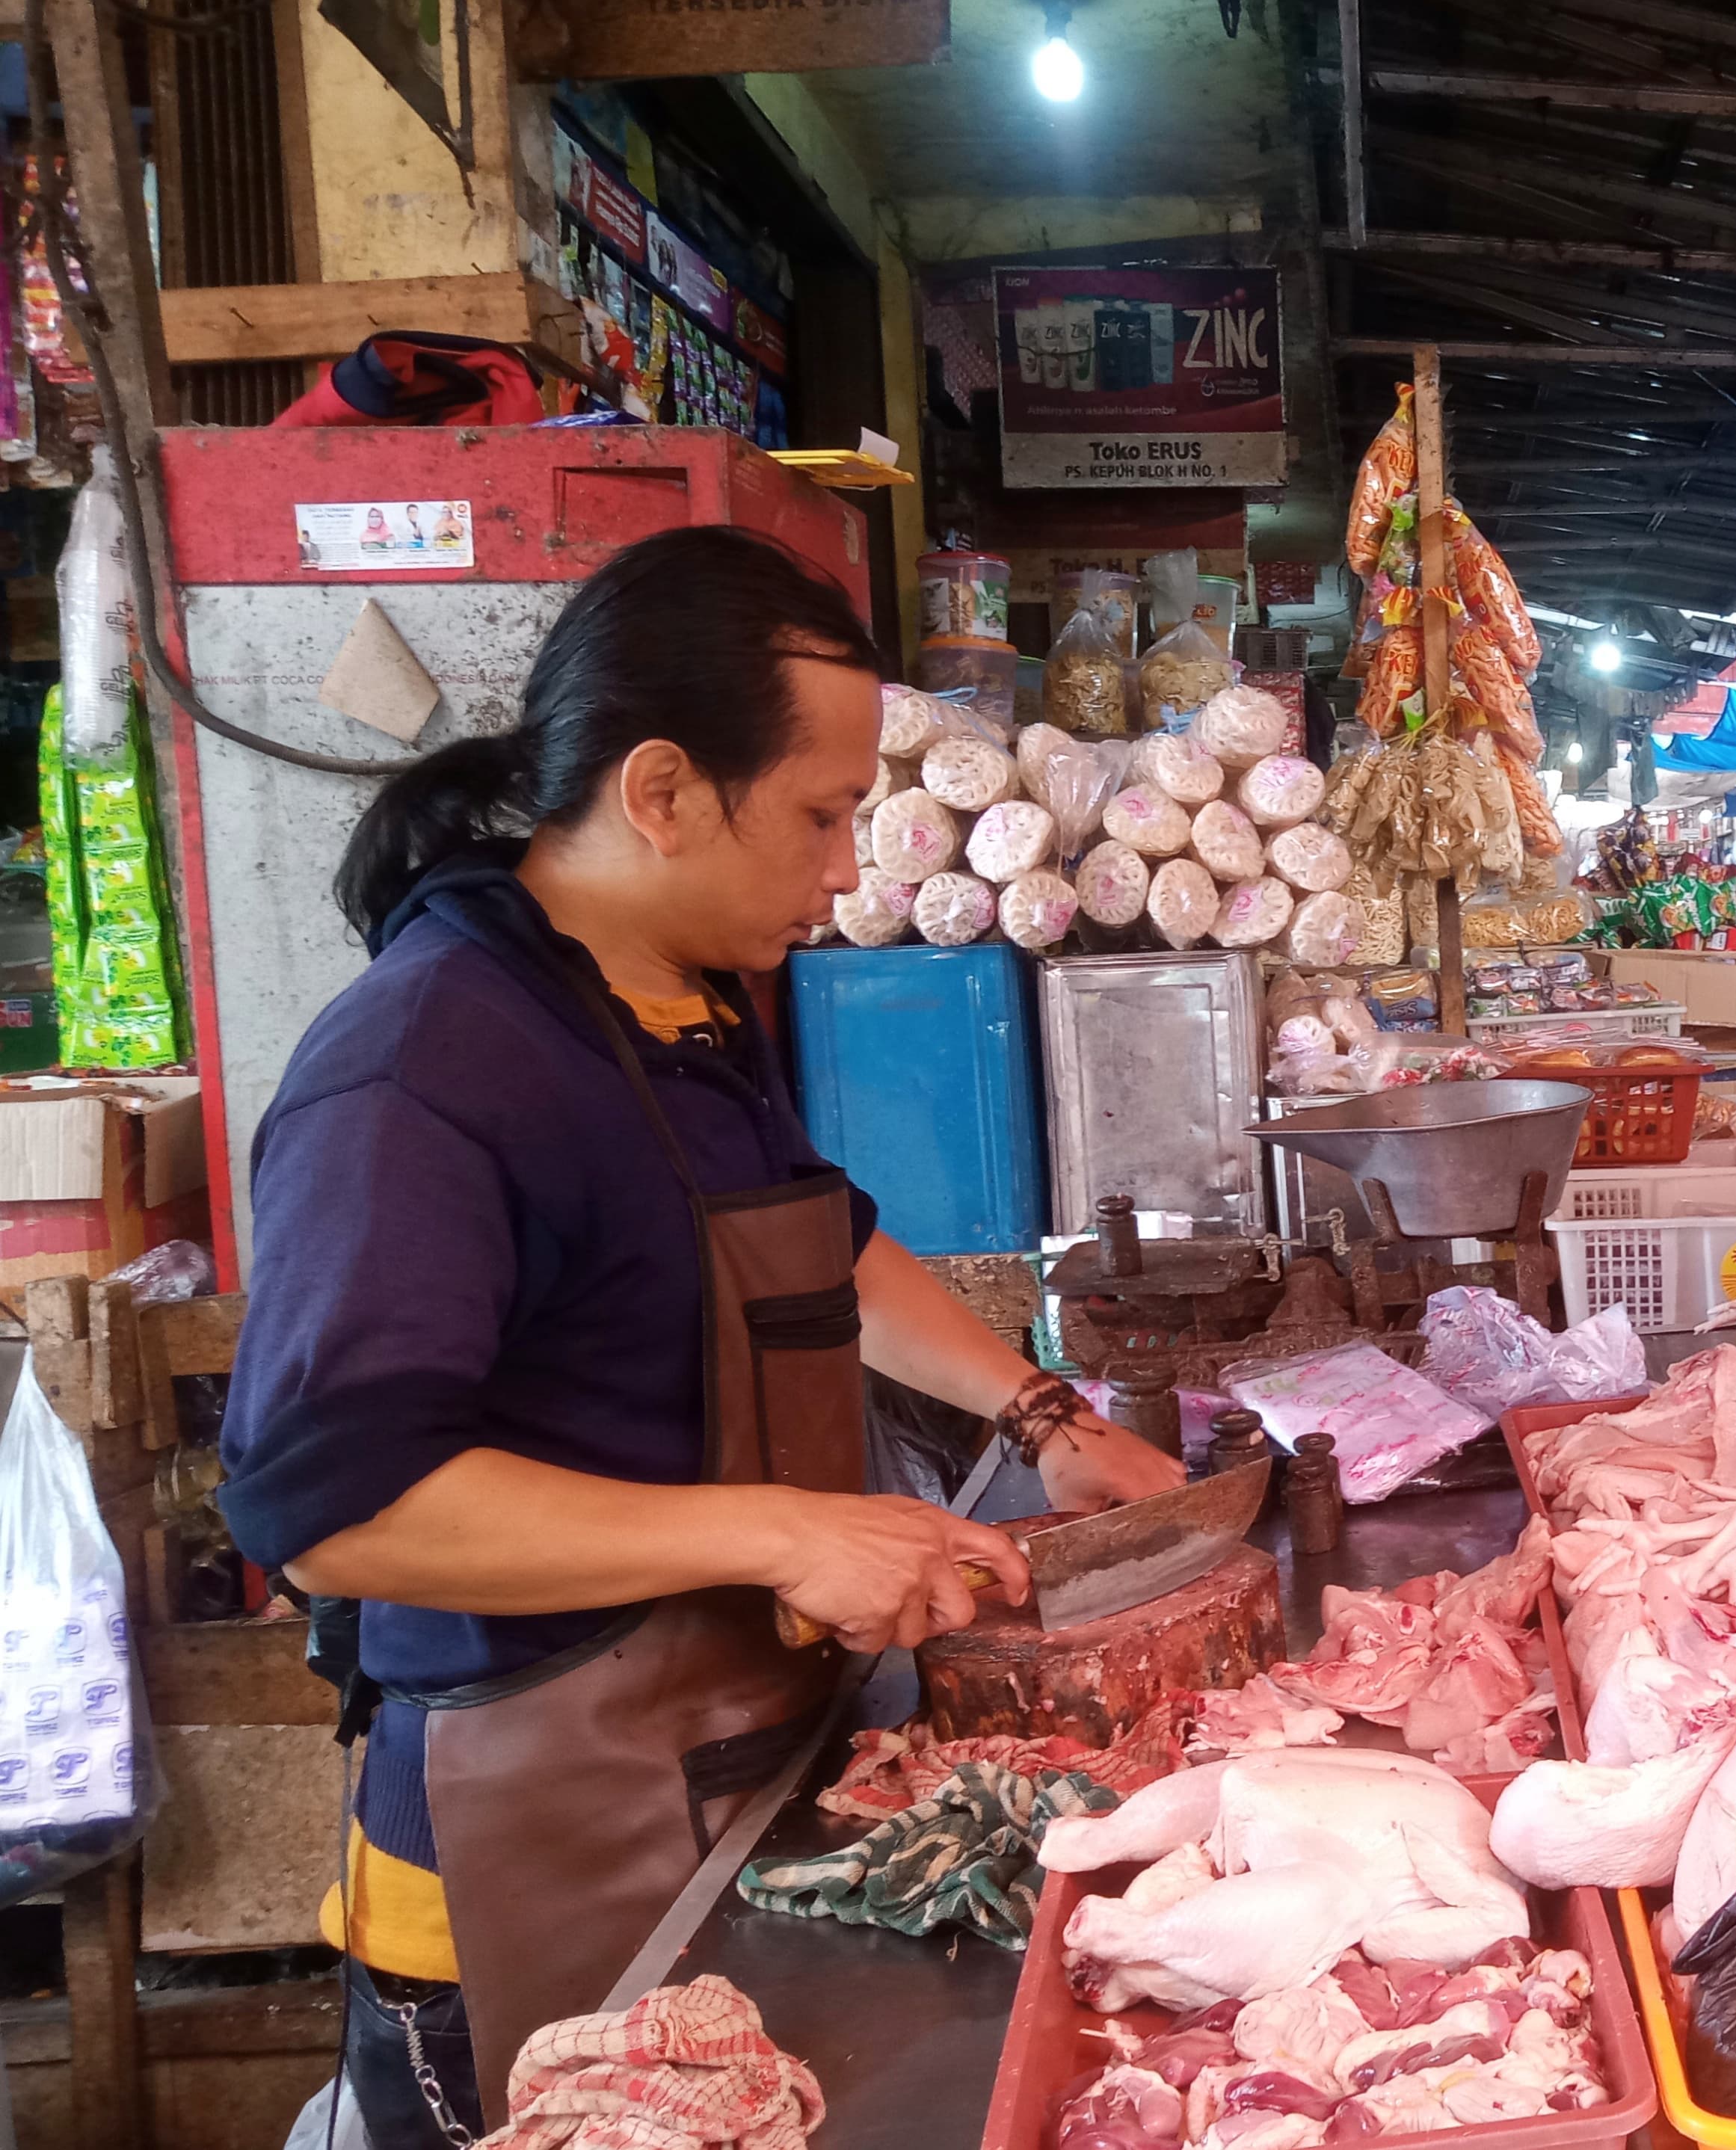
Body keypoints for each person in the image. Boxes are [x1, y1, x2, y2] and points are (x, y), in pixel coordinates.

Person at [215, 526, 1184, 2146]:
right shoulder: (425, 1069)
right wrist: (779, 1529)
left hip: (730, 1772)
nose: (846, 865)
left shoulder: (682, 997)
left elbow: (820, 1241)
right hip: (523, 1844)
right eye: (817, 814)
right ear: (660, 791)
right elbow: (333, 1513)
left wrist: (1042, 1420)